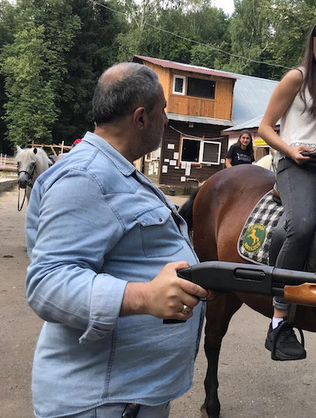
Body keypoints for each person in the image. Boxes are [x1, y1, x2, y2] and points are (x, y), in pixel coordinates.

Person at [25, 62, 208, 417]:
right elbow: (46, 283)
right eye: (163, 111)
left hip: (131, 394)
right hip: (104, 403)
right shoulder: (87, 177)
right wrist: (143, 297)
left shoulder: (116, 170)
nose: (166, 120)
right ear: (140, 118)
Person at [258, 14, 316, 361]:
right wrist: (289, 150)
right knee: (300, 225)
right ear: (313, 43)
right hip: (296, 161)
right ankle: (279, 319)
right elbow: (265, 128)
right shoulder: (295, 79)